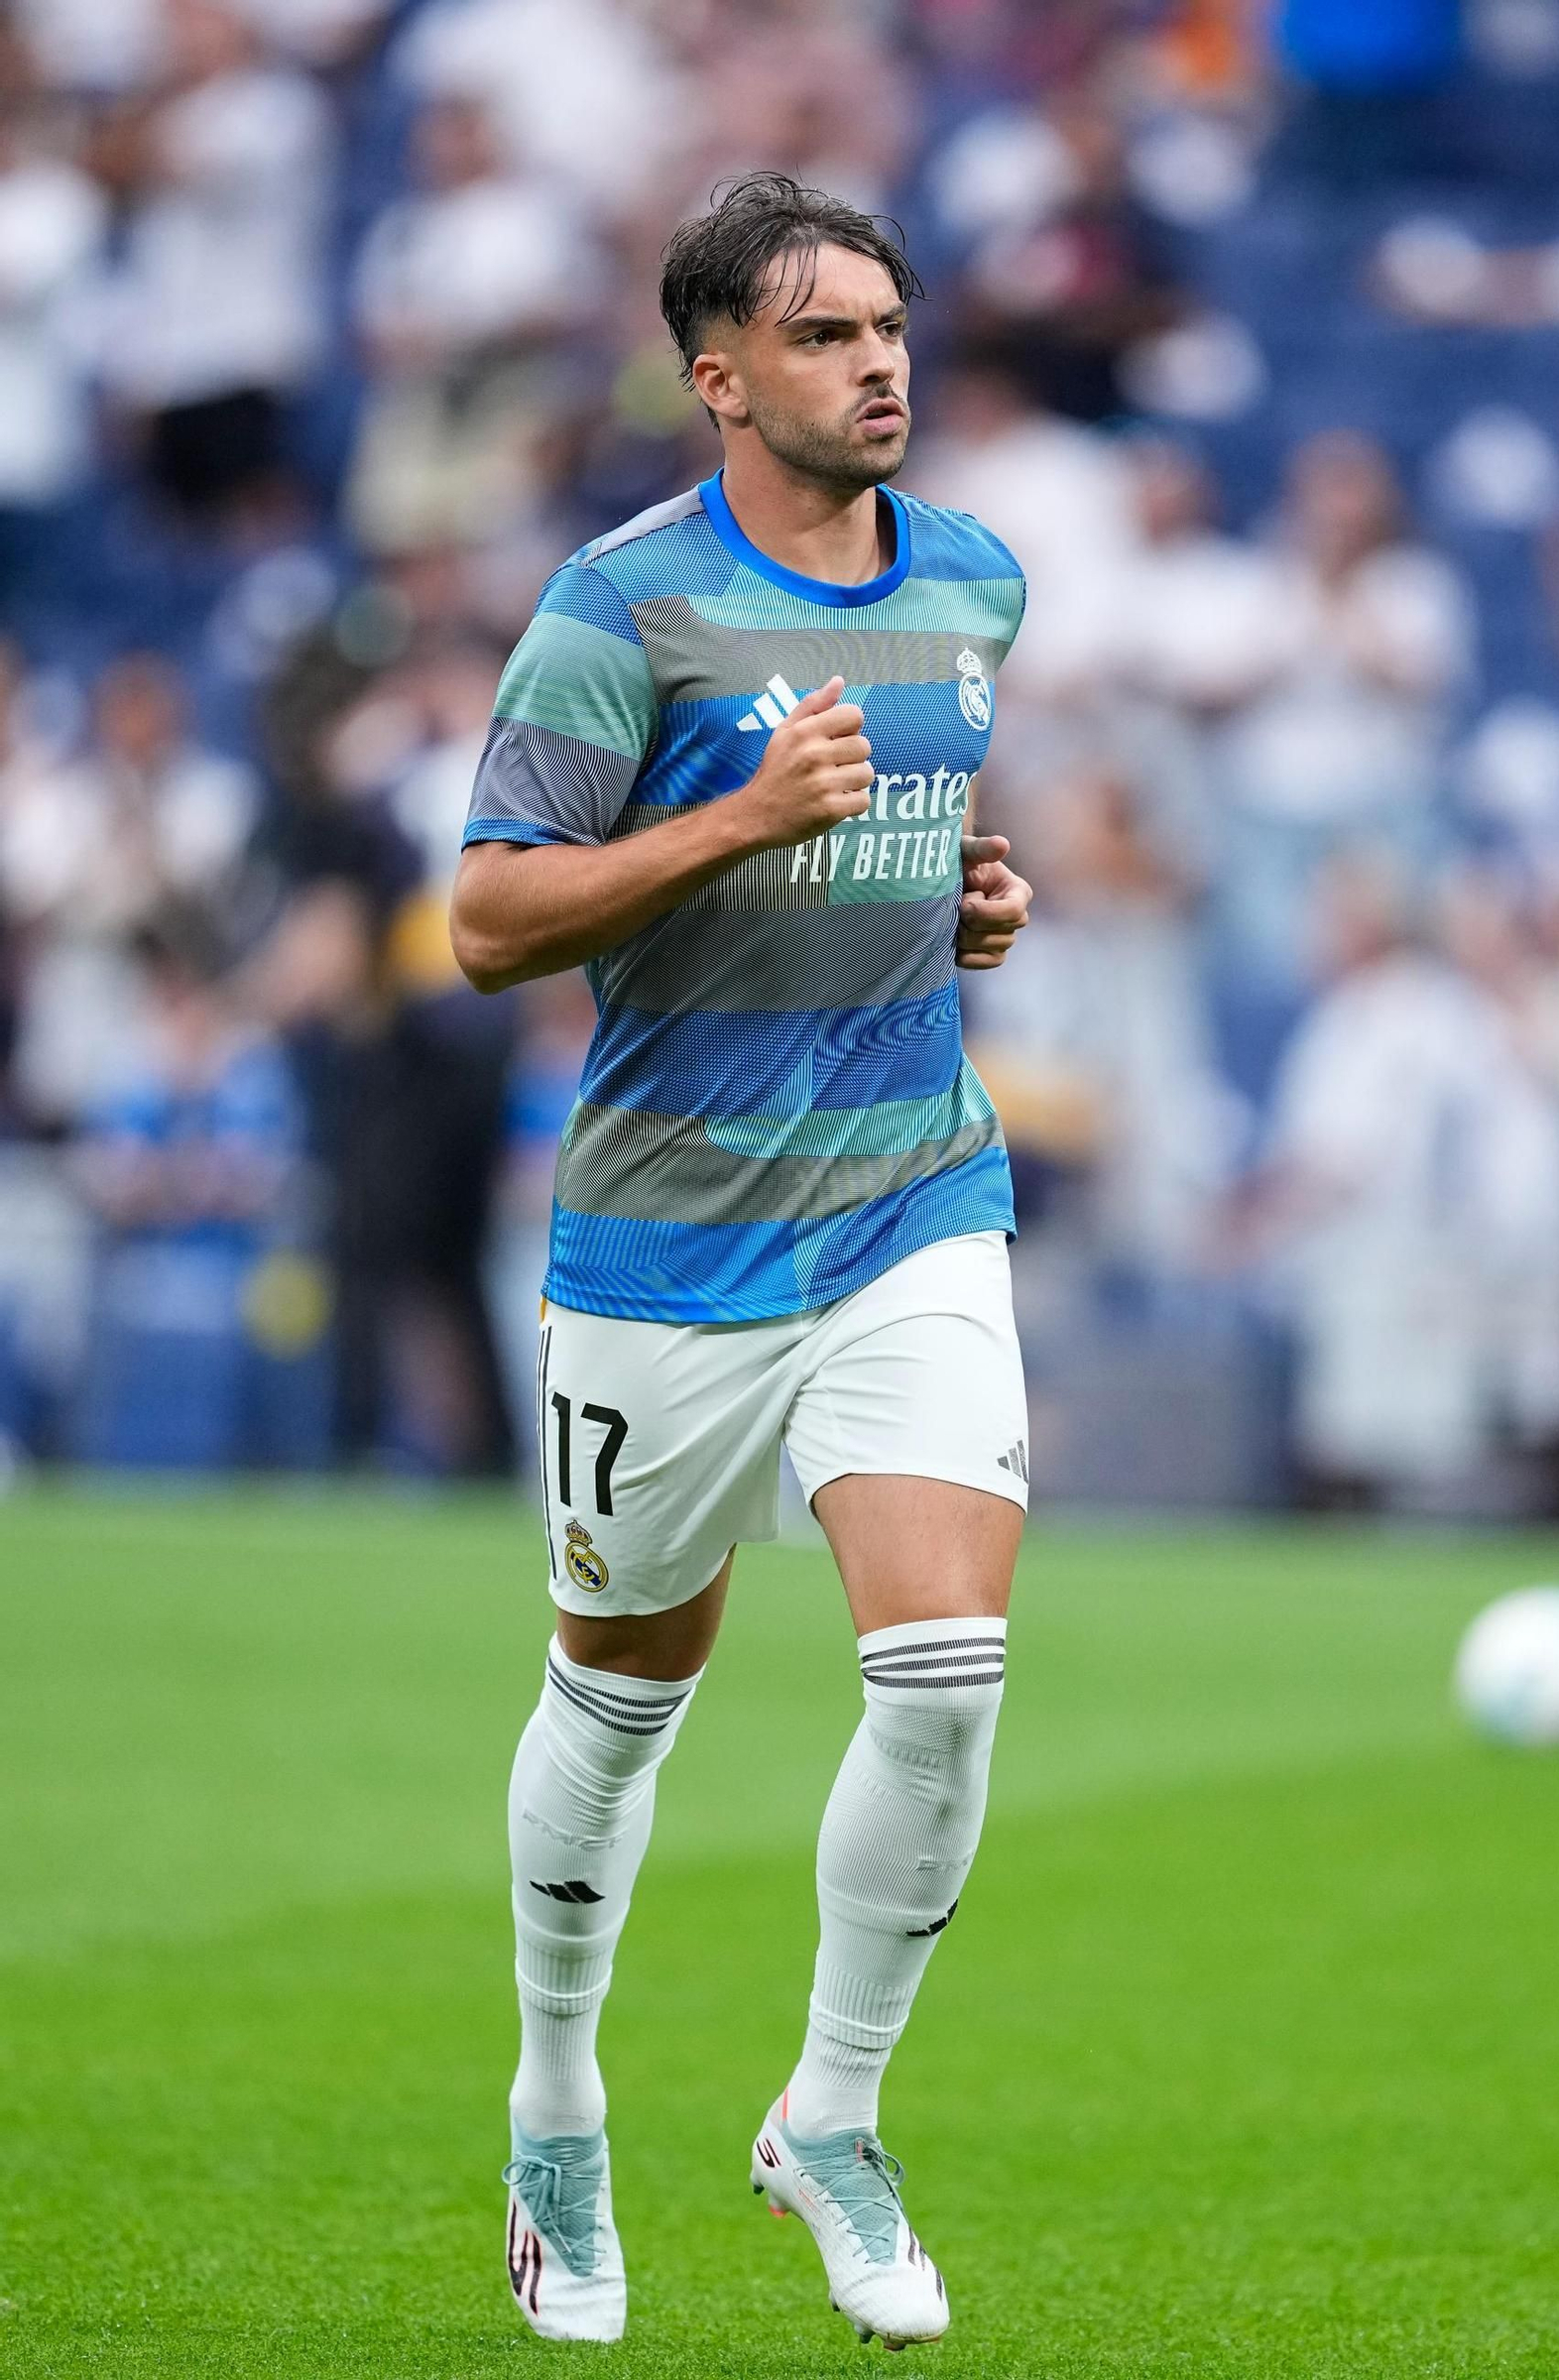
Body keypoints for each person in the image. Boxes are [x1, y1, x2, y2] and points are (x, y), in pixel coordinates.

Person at [449, 172, 1033, 2349]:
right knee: (615, 1705)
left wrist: (962, 903)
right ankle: (553, 2108)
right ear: (717, 380)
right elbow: (491, 920)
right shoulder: (619, 614)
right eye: (819, 335)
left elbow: (919, 838)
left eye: (888, 324)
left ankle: (832, 2118)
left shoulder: (973, 580)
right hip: (667, 1254)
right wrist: (731, 824)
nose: (876, 360)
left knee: (946, 1675)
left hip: (909, 1201)